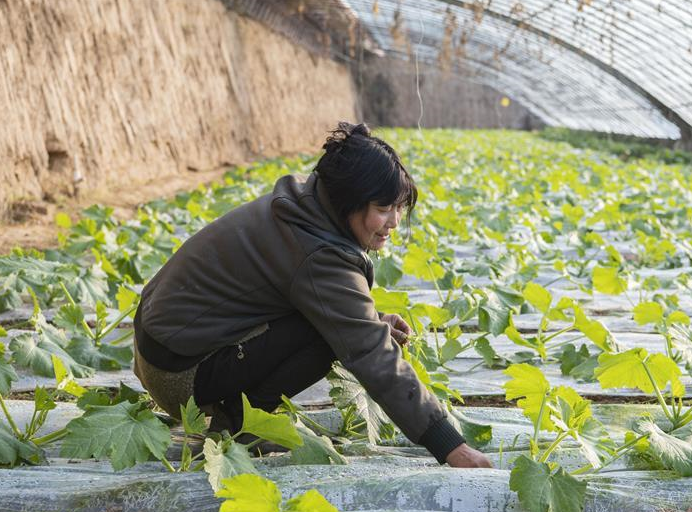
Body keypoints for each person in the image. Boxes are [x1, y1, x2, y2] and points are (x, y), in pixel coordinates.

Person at [133, 122, 492, 468]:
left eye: (399, 208)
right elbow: (369, 351)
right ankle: (239, 425)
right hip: (179, 377)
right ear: (350, 202)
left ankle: (239, 413)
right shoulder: (318, 253)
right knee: (330, 337)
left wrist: (372, 320)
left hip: (159, 351)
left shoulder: (304, 204)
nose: (395, 222)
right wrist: (449, 445)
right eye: (384, 209)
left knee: (334, 326)